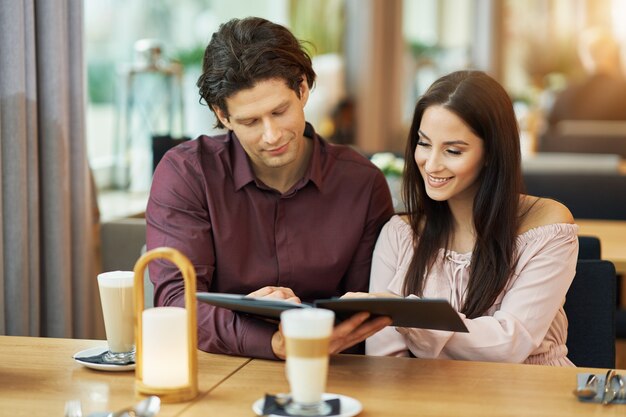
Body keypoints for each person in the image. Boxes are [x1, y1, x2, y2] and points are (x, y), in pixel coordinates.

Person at [145, 17, 394, 360]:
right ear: (223, 115)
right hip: (215, 371)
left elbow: (365, 310)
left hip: (330, 372)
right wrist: (272, 342)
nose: (271, 135)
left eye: (280, 111)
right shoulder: (188, 174)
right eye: (249, 121)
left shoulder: (363, 184)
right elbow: (176, 301)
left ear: (303, 89)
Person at [346, 70, 578, 366]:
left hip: (530, 394)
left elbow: (511, 344)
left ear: (492, 153)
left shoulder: (547, 225)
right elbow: (384, 359)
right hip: (430, 398)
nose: (431, 164)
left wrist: (404, 315)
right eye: (424, 143)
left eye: (453, 150)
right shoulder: (399, 233)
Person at [545, 26, 626, 126]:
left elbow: (548, 135)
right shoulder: (623, 93)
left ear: (584, 56)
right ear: (613, 55)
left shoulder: (566, 96)